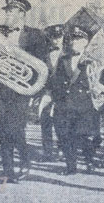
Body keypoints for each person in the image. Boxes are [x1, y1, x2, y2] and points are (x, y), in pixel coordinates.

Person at [0, 0, 47, 183]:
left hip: (21, 92)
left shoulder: (35, 36)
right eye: (6, 11)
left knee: (14, 131)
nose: (6, 14)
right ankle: (8, 172)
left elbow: (43, 66)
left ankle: (24, 158)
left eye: (10, 11)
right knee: (0, 131)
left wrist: (35, 93)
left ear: (21, 13)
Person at [51, 26, 100, 175]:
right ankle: (71, 167)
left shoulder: (92, 62)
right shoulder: (63, 59)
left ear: (86, 42)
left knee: (83, 137)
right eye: (72, 39)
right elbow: (56, 81)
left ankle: (89, 161)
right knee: (65, 137)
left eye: (79, 39)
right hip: (64, 104)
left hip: (84, 105)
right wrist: (54, 99)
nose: (74, 42)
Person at [38, 24, 66, 162]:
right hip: (47, 92)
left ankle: (62, 150)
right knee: (45, 121)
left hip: (62, 93)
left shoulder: (68, 53)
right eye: (54, 37)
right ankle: (47, 152)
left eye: (59, 37)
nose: (56, 40)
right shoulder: (44, 54)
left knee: (61, 122)